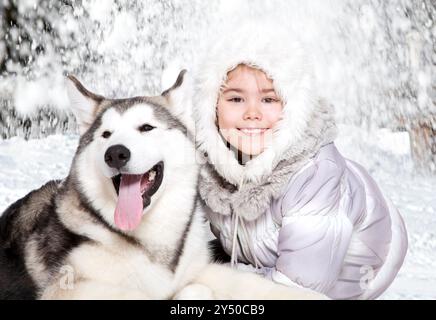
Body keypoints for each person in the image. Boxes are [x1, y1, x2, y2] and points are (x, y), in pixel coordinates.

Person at [191, 22, 408, 299]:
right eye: (236, 99)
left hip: (362, 262)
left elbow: (296, 291)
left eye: (269, 100)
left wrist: (219, 284)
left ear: (293, 108)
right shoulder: (208, 163)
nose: (252, 113)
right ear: (212, 107)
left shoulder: (315, 178)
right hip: (273, 253)